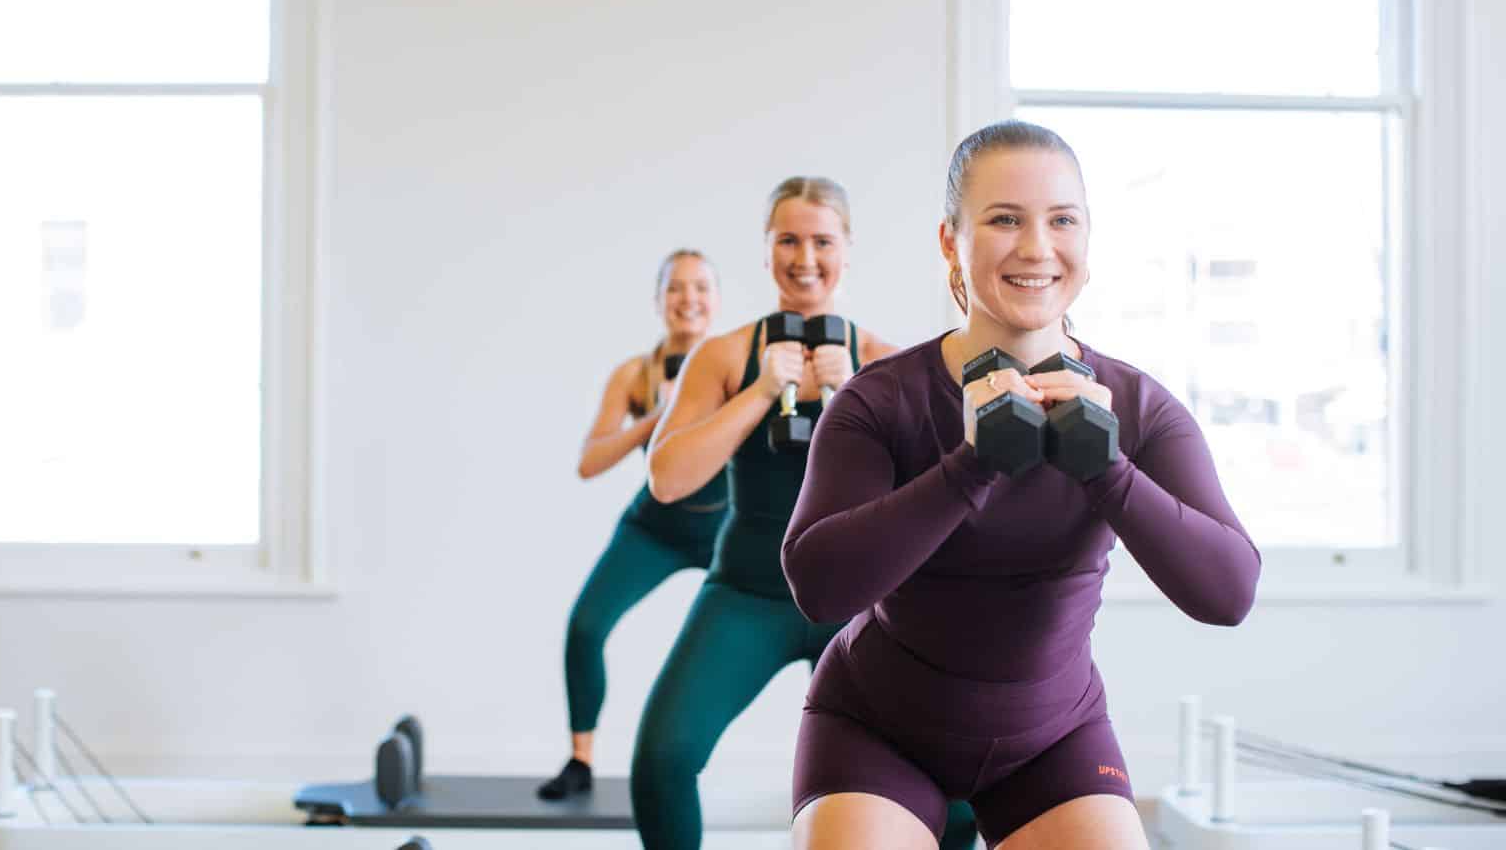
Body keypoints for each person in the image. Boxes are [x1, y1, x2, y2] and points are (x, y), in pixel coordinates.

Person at [782, 121, 1261, 850]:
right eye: (1004, 219)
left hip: (1050, 735)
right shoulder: (880, 401)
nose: (1037, 247)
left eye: (1061, 219)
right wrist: (971, 464)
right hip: (877, 727)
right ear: (951, 240)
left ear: (1087, 239)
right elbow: (817, 585)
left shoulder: (1136, 407)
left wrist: (1105, 468)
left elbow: (1229, 592)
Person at [631, 178, 978, 850]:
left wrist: (850, 395)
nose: (805, 256)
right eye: (788, 239)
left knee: (957, 790)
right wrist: (764, 389)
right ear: (766, 253)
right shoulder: (727, 354)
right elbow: (668, 478)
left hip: (862, 604)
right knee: (662, 759)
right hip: (746, 592)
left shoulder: (887, 362)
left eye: (822, 240)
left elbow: (932, 504)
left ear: (847, 250)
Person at [537, 250, 730, 801]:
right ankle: (580, 761)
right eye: (676, 288)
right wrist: (657, 417)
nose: (687, 298)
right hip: (656, 527)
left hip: (726, 529)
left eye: (700, 288)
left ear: (715, 302)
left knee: (817, 629)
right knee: (585, 627)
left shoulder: (736, 365)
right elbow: (589, 461)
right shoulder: (636, 375)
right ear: (658, 301)